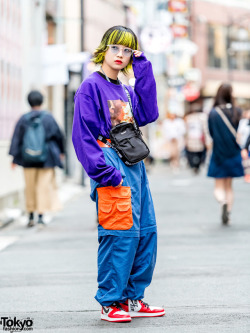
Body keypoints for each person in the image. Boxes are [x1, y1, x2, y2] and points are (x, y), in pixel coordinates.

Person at [72, 26, 165, 323]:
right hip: (111, 164)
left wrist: (143, 68)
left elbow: (149, 113)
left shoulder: (125, 89)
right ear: (104, 49)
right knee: (118, 234)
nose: (121, 55)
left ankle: (133, 299)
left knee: (145, 233)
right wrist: (105, 171)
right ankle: (111, 301)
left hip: (135, 167)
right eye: (115, 48)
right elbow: (82, 135)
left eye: (127, 51)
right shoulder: (90, 87)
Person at [9, 90, 65, 227]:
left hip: (27, 159)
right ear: (42, 101)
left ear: (28, 102)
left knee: (30, 188)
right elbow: (59, 135)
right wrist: (61, 152)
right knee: (43, 188)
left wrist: (14, 159)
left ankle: (30, 216)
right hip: (47, 160)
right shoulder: (48, 117)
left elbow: (17, 138)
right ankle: (41, 216)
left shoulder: (23, 118)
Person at [207, 83, 244, 225]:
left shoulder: (213, 113)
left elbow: (211, 133)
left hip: (218, 153)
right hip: (234, 152)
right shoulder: (238, 111)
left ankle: (222, 202)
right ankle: (228, 212)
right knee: (229, 186)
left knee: (218, 187)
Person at [184, 102, 211, 174]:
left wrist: (185, 140)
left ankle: (194, 165)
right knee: (200, 153)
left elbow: (186, 130)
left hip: (191, 138)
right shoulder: (203, 117)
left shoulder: (188, 118)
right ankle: (197, 165)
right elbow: (205, 129)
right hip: (200, 139)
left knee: (192, 153)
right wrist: (208, 140)